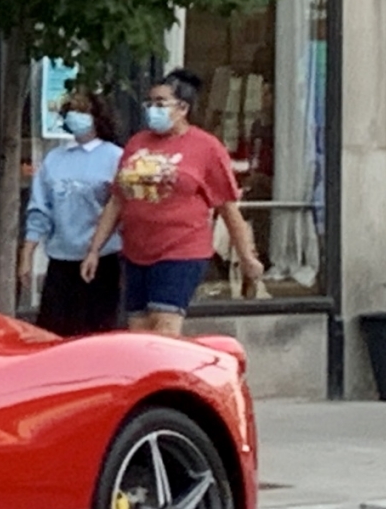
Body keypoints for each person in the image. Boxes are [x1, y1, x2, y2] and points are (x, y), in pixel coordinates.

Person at [80, 69, 263, 337]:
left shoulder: (206, 147)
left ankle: (167, 378)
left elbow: (227, 207)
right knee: (138, 331)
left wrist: (247, 256)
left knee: (164, 328)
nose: (152, 109)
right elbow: (117, 201)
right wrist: (94, 249)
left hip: (181, 251)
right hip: (136, 251)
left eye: (160, 103)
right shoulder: (136, 144)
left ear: (183, 108)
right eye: (149, 103)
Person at [21, 89, 124, 335]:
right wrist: (26, 255)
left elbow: (119, 207)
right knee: (53, 332)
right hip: (60, 259)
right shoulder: (54, 159)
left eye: (82, 112)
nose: (75, 117)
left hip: (102, 259)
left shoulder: (115, 157)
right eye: (70, 113)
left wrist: (95, 249)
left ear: (97, 117)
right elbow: (40, 210)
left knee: (95, 333)